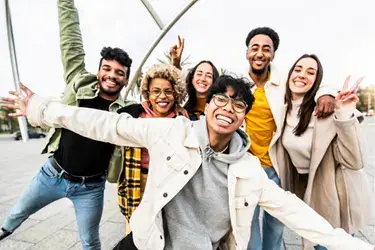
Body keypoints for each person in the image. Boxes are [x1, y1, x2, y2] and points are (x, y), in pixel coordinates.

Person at [2, 77, 374, 250]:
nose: (228, 109)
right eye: (221, 100)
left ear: (243, 117)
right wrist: (43, 109)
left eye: (238, 105)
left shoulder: (247, 171)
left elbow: (293, 210)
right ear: (207, 104)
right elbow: (109, 124)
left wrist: (351, 245)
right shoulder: (170, 132)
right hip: (147, 242)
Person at [0, 0, 133, 249]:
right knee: (16, 213)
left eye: (119, 72)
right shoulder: (79, 83)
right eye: (107, 68)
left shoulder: (126, 111)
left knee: (90, 241)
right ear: (98, 70)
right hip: (52, 174)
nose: (112, 75)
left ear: (126, 80)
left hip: (91, 187)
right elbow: (71, 41)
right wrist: (65, 3)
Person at [242, 27, 338, 250]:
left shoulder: (282, 82)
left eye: (267, 49)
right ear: (247, 52)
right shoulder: (238, 85)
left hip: (276, 168)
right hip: (247, 168)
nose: (260, 53)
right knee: (248, 229)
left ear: (273, 55)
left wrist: (327, 93)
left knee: (275, 228)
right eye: (254, 48)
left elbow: (312, 82)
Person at [276, 54, 374, 249]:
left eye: (310, 72)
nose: (302, 75)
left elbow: (355, 160)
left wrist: (344, 113)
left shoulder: (324, 111)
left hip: (334, 191)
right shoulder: (282, 108)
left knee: (331, 243)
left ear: (316, 81)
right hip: (305, 190)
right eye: (298, 69)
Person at [115, 64, 187, 234]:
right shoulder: (133, 115)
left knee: (166, 231)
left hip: (168, 183)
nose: (162, 96)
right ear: (148, 93)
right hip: (138, 181)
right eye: (156, 91)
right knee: (135, 232)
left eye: (168, 91)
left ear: (175, 93)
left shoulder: (182, 119)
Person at [170, 36, 220, 120]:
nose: (203, 79)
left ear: (214, 81)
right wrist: (175, 63)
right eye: (199, 74)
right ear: (192, 79)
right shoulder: (183, 112)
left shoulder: (218, 109)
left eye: (208, 76)